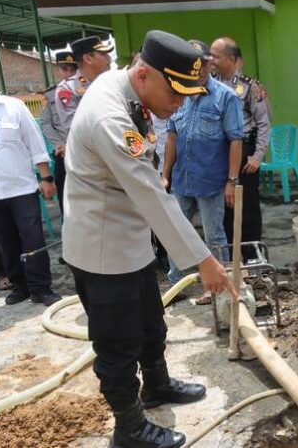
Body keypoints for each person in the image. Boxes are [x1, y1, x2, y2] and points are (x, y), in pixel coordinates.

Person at [62, 30, 236, 448]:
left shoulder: (125, 89)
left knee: (150, 322)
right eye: (176, 93)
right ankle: (130, 427)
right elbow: (152, 193)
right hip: (103, 251)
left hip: (131, 241)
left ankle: (156, 384)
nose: (180, 103)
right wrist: (203, 260)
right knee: (117, 344)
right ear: (143, 76)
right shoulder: (110, 118)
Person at [162, 39, 243, 296]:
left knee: (214, 237)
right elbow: (172, 138)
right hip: (181, 180)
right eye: (190, 65)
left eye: (200, 63)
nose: (196, 69)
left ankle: (217, 288)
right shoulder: (178, 93)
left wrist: (231, 181)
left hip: (210, 181)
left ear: (209, 63)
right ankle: (176, 285)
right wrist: (164, 176)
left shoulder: (226, 97)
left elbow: (235, 141)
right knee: (176, 233)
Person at [0, 91, 61, 306]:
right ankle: (20, 285)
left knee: (32, 238)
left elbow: (35, 144)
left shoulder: (13, 107)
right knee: (6, 241)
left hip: (21, 188)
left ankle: (41, 288)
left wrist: (46, 177)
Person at [210, 37, 270, 259]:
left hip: (245, 152)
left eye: (216, 56)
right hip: (219, 153)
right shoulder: (209, 84)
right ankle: (230, 256)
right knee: (223, 206)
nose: (211, 60)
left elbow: (264, 123)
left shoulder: (250, 87)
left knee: (247, 205)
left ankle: (252, 254)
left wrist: (257, 156)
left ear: (232, 59)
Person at [39, 50, 77, 211]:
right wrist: (60, 144)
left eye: (72, 69)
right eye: (64, 69)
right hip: (63, 154)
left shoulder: (86, 90)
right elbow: (46, 124)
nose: (68, 73)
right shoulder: (50, 94)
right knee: (65, 199)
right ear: (58, 70)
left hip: (85, 151)